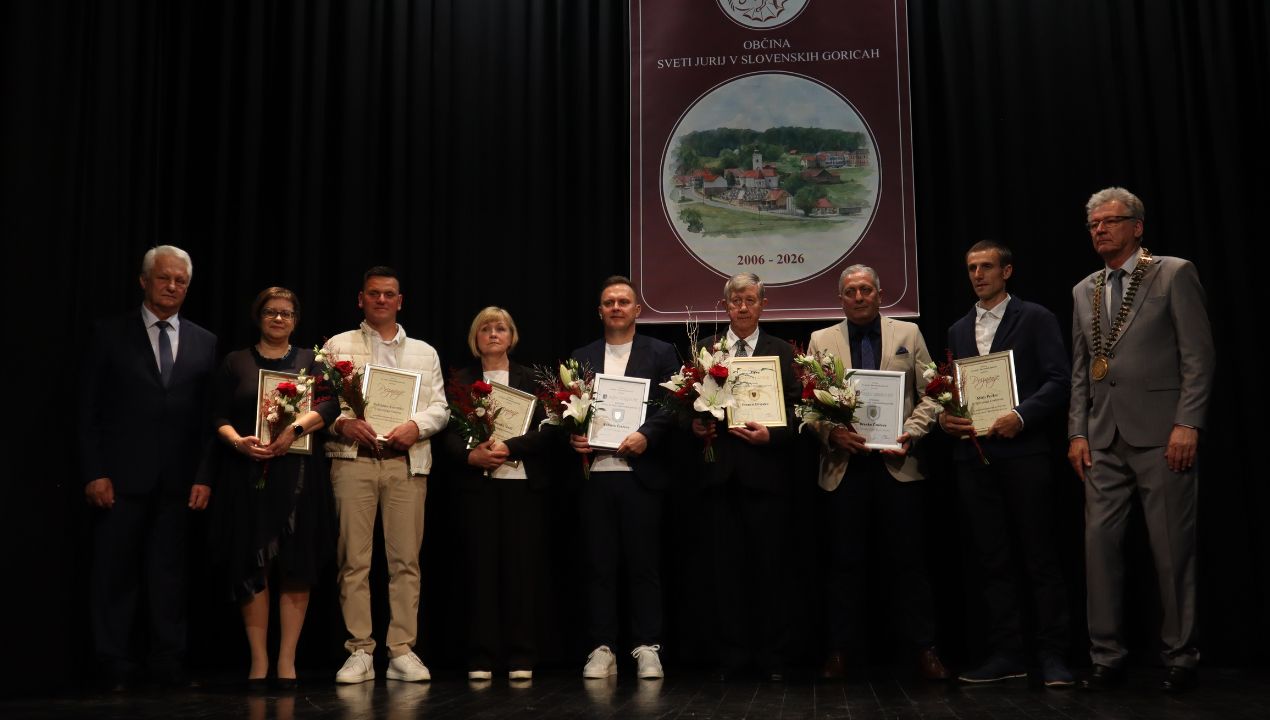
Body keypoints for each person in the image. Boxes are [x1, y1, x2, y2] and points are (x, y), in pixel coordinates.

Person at [1068, 187, 1214, 693]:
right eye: (1093, 224)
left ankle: (1181, 656)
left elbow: (1198, 357)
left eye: (1110, 221)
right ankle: (1106, 656)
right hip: (1104, 437)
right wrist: (1078, 432)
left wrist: (1187, 423)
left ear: (1137, 226)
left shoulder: (1173, 273)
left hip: (1161, 433)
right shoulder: (1084, 288)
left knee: (1171, 549)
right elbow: (1081, 370)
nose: (1100, 230)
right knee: (1099, 548)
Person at [80, 245, 218, 690]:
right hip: (118, 479)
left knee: (170, 577)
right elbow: (88, 412)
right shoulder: (108, 334)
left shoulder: (204, 341)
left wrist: (203, 475)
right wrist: (93, 471)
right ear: (144, 281)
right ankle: (114, 665)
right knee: (114, 575)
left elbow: (206, 421)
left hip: (179, 482)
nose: (172, 287)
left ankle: (167, 663)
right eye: (164, 278)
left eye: (180, 281)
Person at [939, 242, 1073, 687]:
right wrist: (948, 417)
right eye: (972, 268)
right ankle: (1008, 653)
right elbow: (955, 393)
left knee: (1039, 557)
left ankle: (1053, 654)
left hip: (1025, 456)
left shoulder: (1035, 318)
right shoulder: (959, 329)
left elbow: (1059, 380)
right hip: (975, 460)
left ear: (1007, 271)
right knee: (992, 560)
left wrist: (1021, 415)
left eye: (987, 267)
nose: (978, 274)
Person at [807, 264, 948, 681]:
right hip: (843, 467)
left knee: (909, 564)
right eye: (850, 291)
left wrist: (913, 431)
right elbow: (810, 405)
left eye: (866, 289)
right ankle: (838, 652)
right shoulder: (821, 340)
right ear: (840, 298)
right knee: (844, 565)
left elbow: (934, 393)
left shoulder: (908, 335)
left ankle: (925, 650)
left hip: (898, 464)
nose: (859, 296)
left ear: (880, 293)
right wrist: (832, 434)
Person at [201, 287, 339, 689]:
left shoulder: (310, 362)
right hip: (249, 472)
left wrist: (294, 430)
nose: (279, 319)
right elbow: (218, 416)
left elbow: (329, 408)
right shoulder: (236, 362)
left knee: (296, 565)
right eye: (271, 312)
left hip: (298, 477)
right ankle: (259, 662)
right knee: (252, 564)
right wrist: (236, 441)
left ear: (296, 319)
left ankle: (287, 662)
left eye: (287, 313)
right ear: (258, 316)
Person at [324, 266, 449, 684]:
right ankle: (359, 650)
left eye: (389, 294)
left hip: (406, 462)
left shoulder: (424, 352)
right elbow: (321, 403)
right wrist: (343, 424)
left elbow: (440, 407)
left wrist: (416, 427)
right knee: (354, 561)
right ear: (361, 299)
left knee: (405, 562)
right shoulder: (338, 345)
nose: (381, 300)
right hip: (353, 461)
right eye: (373, 293)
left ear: (400, 301)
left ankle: (401, 650)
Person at [689, 273, 798, 682]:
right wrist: (695, 427)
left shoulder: (782, 352)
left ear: (762, 304)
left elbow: (799, 413)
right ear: (726, 306)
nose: (743, 306)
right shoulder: (705, 350)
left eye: (750, 299)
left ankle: (774, 658)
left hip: (767, 475)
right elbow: (692, 409)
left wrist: (775, 434)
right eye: (736, 300)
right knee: (726, 575)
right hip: (720, 476)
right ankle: (732, 656)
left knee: (771, 572)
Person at [570, 275, 679, 679]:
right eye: (609, 302)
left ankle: (647, 646)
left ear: (637, 309)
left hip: (642, 475)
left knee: (644, 565)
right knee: (599, 565)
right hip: (596, 475)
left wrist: (645, 436)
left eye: (623, 301)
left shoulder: (661, 351)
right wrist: (575, 437)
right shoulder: (582, 356)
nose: (616, 307)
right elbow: (569, 409)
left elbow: (673, 405)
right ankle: (602, 648)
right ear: (600, 311)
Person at [441, 307, 551, 682]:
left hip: (521, 485)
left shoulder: (532, 377)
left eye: (500, 328)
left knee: (521, 573)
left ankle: (522, 655)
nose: (493, 334)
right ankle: (480, 656)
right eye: (485, 328)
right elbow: (447, 433)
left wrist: (512, 447)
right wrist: (470, 455)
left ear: (512, 335)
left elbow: (549, 429)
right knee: (480, 572)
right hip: (477, 487)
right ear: (475, 338)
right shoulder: (460, 379)